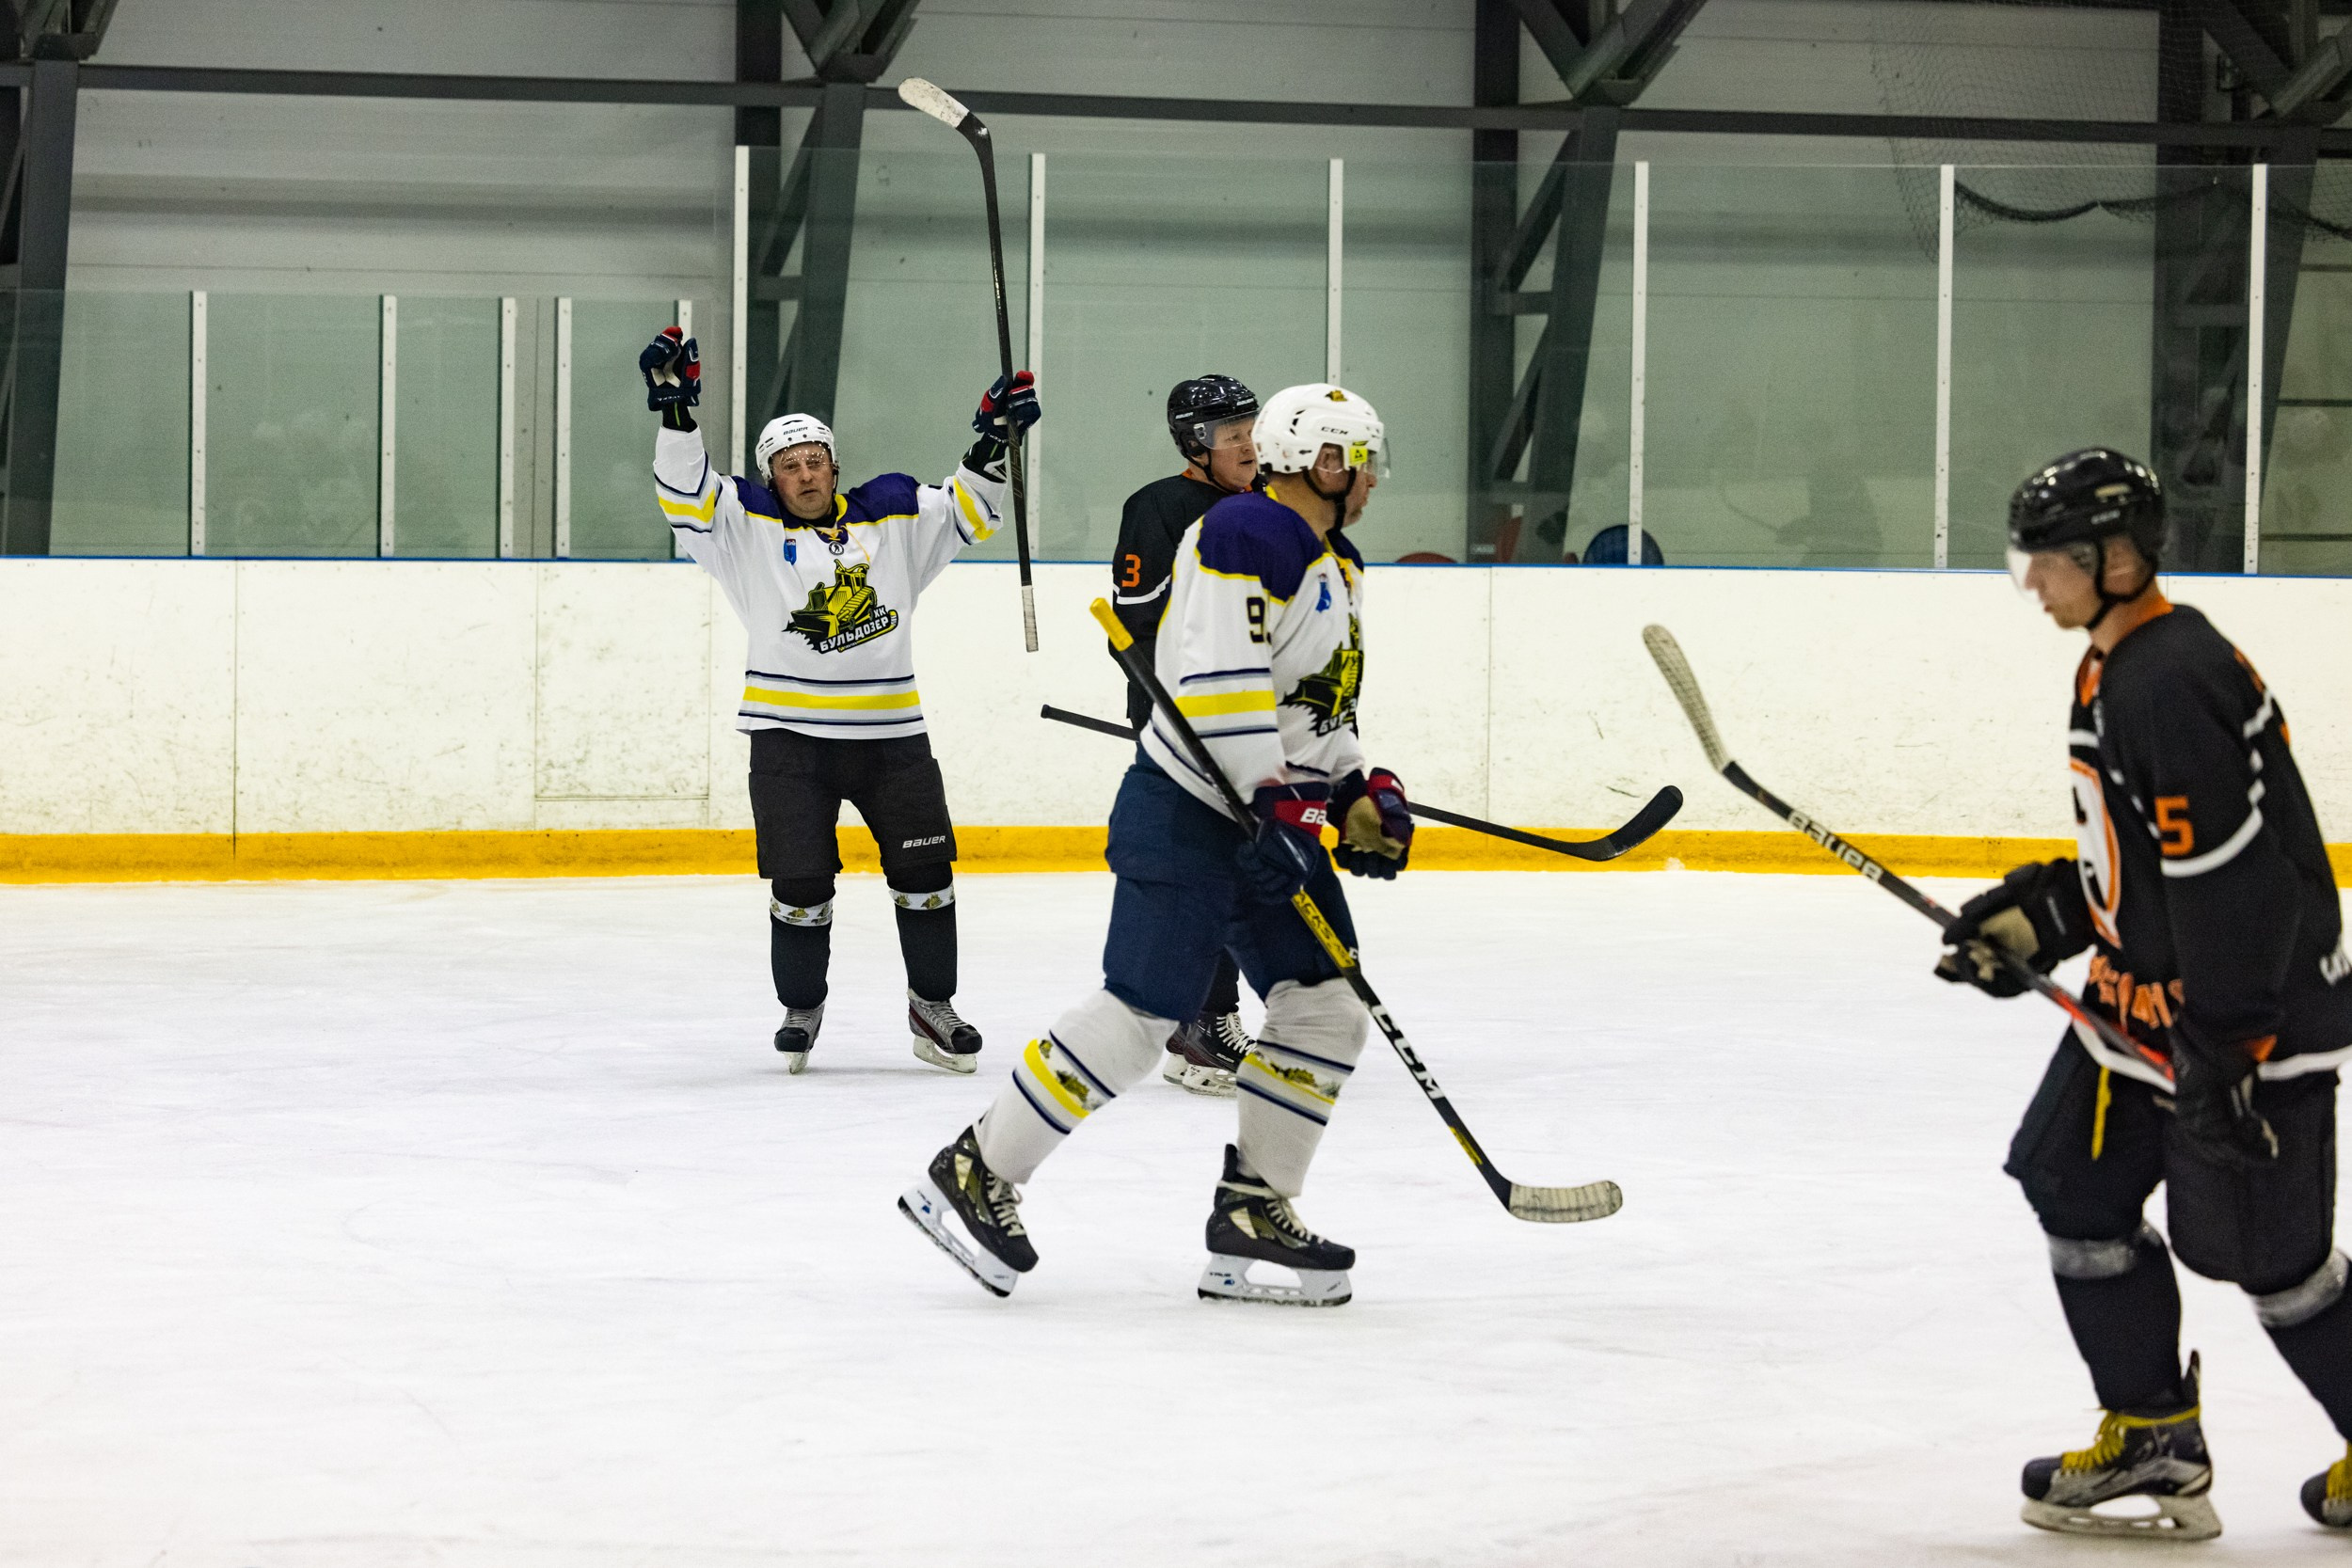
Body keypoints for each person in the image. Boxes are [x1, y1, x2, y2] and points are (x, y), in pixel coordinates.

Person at [901, 382, 1414, 1306]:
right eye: (1364, 462)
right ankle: (976, 1168)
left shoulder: (1338, 564)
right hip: (1187, 814)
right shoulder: (1244, 533)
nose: (1374, 479)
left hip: (1266, 823)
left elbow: (1319, 709)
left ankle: (1254, 1209)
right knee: (1145, 1012)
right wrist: (1282, 808)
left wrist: (1356, 790)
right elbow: (1219, 690)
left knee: (1325, 1006)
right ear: (1324, 463)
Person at [1934, 448, 2352, 1539]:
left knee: (2275, 1263)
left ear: (2114, 558)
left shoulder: (2167, 679)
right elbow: (2141, 865)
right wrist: (2038, 918)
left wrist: (2226, 1046)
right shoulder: (2115, 663)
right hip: (2153, 1008)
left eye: (2049, 558)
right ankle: (2153, 1430)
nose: (2032, 580)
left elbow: (2236, 885)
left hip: (2248, 1019)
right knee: (2071, 1183)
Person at [641, 325, 1041, 1076]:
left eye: (815, 459)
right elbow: (685, 493)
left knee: (927, 875)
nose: (806, 473)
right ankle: (802, 1007)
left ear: (834, 465)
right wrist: (676, 414)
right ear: (771, 476)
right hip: (789, 740)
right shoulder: (742, 528)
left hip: (892, 736)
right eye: (789, 465)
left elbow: (968, 509)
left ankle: (932, 1005)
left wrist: (993, 437)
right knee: (800, 884)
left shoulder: (891, 515)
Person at [1113, 374, 1263, 1098]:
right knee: (1206, 869)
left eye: (1251, 430)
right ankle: (1204, 1020)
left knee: (1245, 868)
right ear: (1195, 445)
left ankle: (1200, 1020)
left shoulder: (1264, 504)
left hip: (1250, 719)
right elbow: (1135, 625)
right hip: (1185, 724)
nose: (1248, 446)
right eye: (1232, 436)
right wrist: (1176, 713)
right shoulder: (1158, 508)